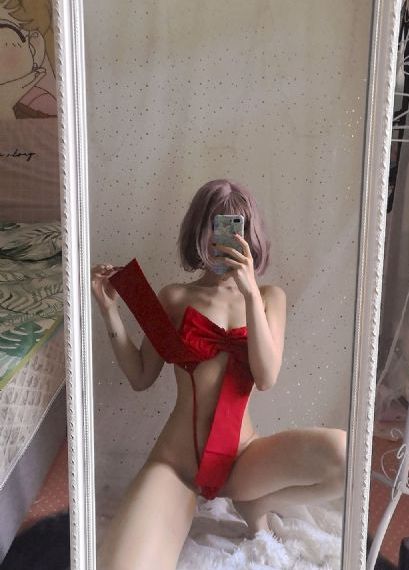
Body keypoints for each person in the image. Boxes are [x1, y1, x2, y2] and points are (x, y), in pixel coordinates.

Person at [91, 179, 347, 570]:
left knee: (347, 456)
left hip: (243, 459)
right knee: (121, 565)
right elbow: (141, 376)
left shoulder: (269, 298)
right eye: (211, 227)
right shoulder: (174, 297)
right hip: (177, 465)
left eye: (231, 227)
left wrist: (249, 293)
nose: (219, 239)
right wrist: (108, 310)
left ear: (249, 235)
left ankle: (255, 501)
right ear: (197, 232)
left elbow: (266, 377)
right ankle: (213, 503)